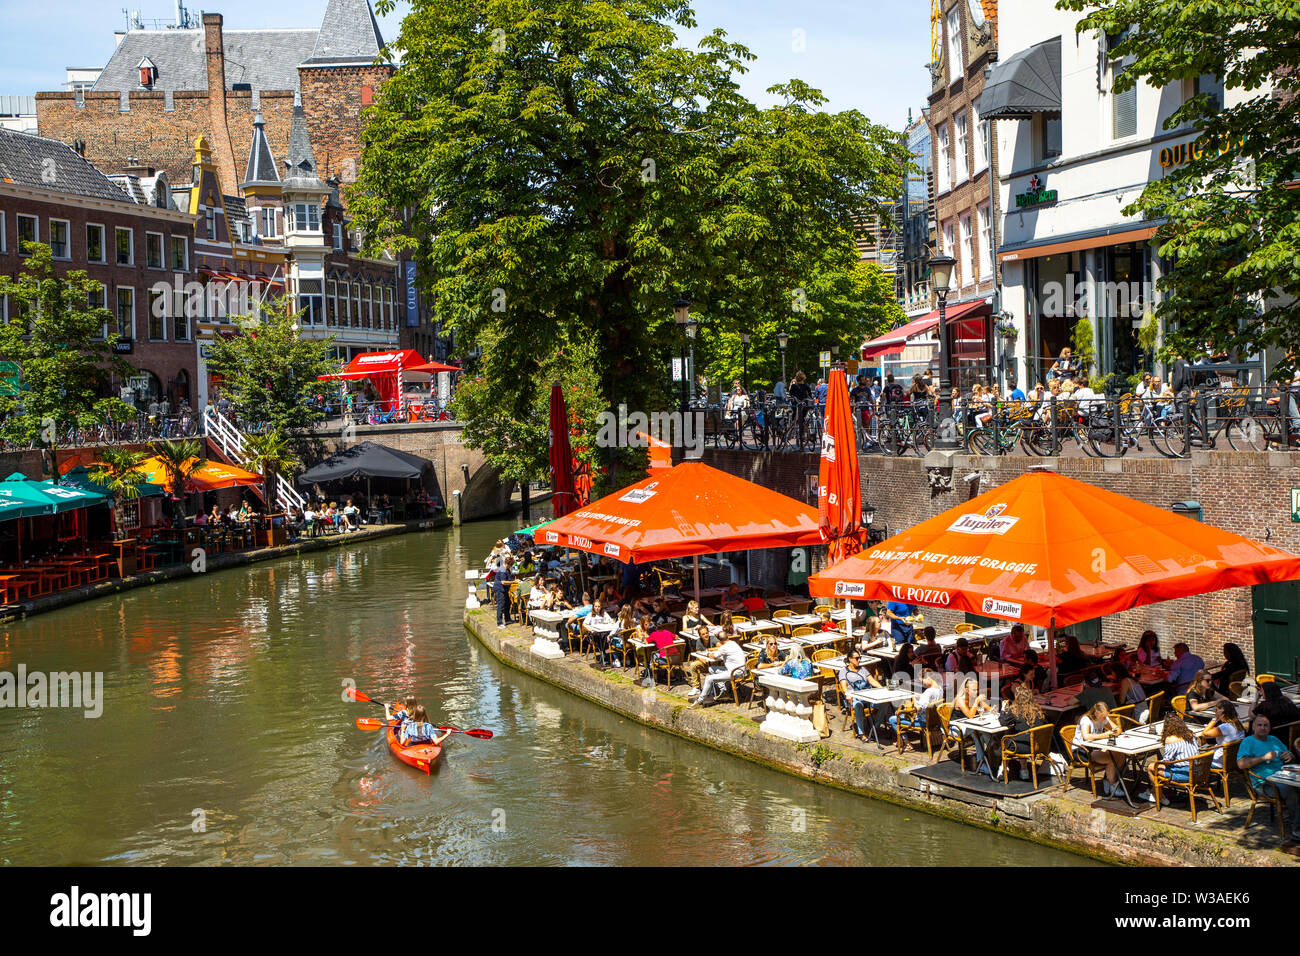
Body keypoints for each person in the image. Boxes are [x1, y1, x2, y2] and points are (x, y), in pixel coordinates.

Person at [1237, 715, 1300, 837]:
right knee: (1292, 791)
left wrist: (1289, 756)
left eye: (1266, 725)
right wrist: (1263, 758)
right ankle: (1297, 830)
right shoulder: (1248, 742)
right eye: (1259, 725)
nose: (1263, 728)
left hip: (1284, 776)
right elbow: (1241, 764)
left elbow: (1288, 754)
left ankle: (1295, 817)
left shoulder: (1274, 739)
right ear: (1253, 727)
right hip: (1265, 783)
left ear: (1269, 728)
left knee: (1295, 788)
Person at [1142, 712, 1201, 804]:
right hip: (1199, 770)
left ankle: (1159, 796)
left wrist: (1159, 762)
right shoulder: (1190, 734)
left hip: (1185, 774)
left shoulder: (1171, 739)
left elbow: (1166, 761)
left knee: (1151, 767)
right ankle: (1153, 792)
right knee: (1159, 766)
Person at [1002, 684, 1052, 781]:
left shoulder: (1016, 711)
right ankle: (1024, 770)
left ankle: (1003, 769)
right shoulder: (1038, 711)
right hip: (1039, 746)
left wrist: (1003, 709)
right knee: (1022, 737)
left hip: (1023, 747)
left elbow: (1003, 721)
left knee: (1007, 740)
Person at [1074, 701, 1124, 796]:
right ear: (1096, 714)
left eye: (1106, 716)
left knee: (1120, 754)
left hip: (1096, 748)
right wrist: (1104, 735)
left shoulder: (1103, 719)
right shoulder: (1086, 720)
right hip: (1082, 750)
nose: (1105, 719)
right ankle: (1113, 785)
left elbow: (1118, 729)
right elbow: (1086, 737)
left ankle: (1108, 780)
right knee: (1111, 759)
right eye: (1103, 717)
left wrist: (1115, 732)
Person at [688, 631, 747, 705]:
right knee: (711, 669)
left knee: (709, 678)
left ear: (719, 640)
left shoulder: (724, 648)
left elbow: (714, 656)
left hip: (734, 673)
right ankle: (723, 691)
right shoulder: (733, 643)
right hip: (742, 670)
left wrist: (709, 653)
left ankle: (700, 700)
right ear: (727, 637)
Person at [890, 672, 943, 753]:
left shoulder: (928, 692)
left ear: (928, 678)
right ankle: (900, 740)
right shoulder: (940, 689)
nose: (923, 683)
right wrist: (921, 696)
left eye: (923, 681)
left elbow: (918, 708)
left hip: (923, 722)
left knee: (893, 719)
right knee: (897, 713)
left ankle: (907, 743)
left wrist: (914, 699)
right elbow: (929, 699)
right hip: (935, 720)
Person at [840, 650, 887, 741]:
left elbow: (872, 680)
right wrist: (847, 694)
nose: (859, 660)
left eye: (860, 658)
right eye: (857, 658)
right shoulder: (843, 671)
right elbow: (843, 686)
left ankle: (874, 728)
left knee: (885, 703)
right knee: (858, 705)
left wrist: (882, 688)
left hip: (868, 695)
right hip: (854, 697)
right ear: (850, 659)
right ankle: (862, 733)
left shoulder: (862, 669)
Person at [1200, 700, 1247, 771]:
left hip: (1220, 762)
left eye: (1216, 711)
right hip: (1234, 760)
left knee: (1197, 754)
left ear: (1222, 713)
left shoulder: (1225, 727)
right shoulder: (1238, 724)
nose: (1215, 713)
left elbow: (1204, 734)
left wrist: (1215, 719)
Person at [492, 556, 516, 628]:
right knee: (501, 605)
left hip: (504, 590)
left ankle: (507, 619)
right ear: (508, 564)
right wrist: (513, 582)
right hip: (500, 589)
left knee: (508, 603)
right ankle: (499, 622)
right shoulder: (502, 570)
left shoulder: (507, 570)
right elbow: (503, 582)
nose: (511, 567)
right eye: (511, 565)